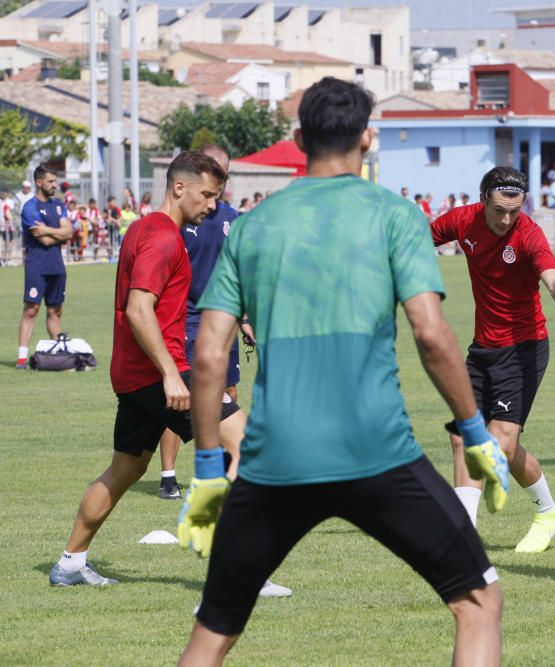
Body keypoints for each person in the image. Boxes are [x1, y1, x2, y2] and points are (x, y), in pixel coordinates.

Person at [175, 77, 505, 666]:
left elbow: (206, 356)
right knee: (478, 601)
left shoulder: (252, 225)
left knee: (213, 631)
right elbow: (432, 334)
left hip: (276, 460)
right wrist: (475, 433)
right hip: (376, 450)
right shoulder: (397, 215)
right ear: (369, 139)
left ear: (300, 138)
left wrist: (206, 472)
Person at [47, 152, 246, 587]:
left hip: (133, 375)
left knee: (125, 470)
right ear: (180, 187)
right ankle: (230, 565)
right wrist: (172, 374)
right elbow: (140, 309)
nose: (212, 205)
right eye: (208, 195)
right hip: (161, 373)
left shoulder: (141, 228)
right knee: (247, 445)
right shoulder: (163, 238)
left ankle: (69, 564)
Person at [430, 166, 555, 552]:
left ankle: (548, 512)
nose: (505, 219)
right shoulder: (462, 220)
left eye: (514, 211)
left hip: (524, 348)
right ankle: (465, 535)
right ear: (483, 200)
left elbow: (553, 277)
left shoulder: (528, 234)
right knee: (464, 436)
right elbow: (419, 239)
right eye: (499, 210)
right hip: (483, 347)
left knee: (500, 445)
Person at [158, 144, 249, 501]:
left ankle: (222, 474)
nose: (219, 181)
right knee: (178, 399)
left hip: (223, 321)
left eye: (223, 174)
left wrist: (245, 317)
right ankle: (168, 475)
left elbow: (242, 272)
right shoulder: (176, 222)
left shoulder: (233, 218)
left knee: (228, 392)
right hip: (186, 321)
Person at [16, 166, 73, 369]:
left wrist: (50, 230)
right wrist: (60, 232)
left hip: (57, 266)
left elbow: (69, 233)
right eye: (50, 181)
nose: (54, 185)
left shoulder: (59, 205)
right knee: (31, 309)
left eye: (55, 181)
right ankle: (22, 358)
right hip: (37, 266)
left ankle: (58, 354)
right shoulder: (30, 207)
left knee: (55, 311)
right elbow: (46, 241)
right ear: (39, 182)